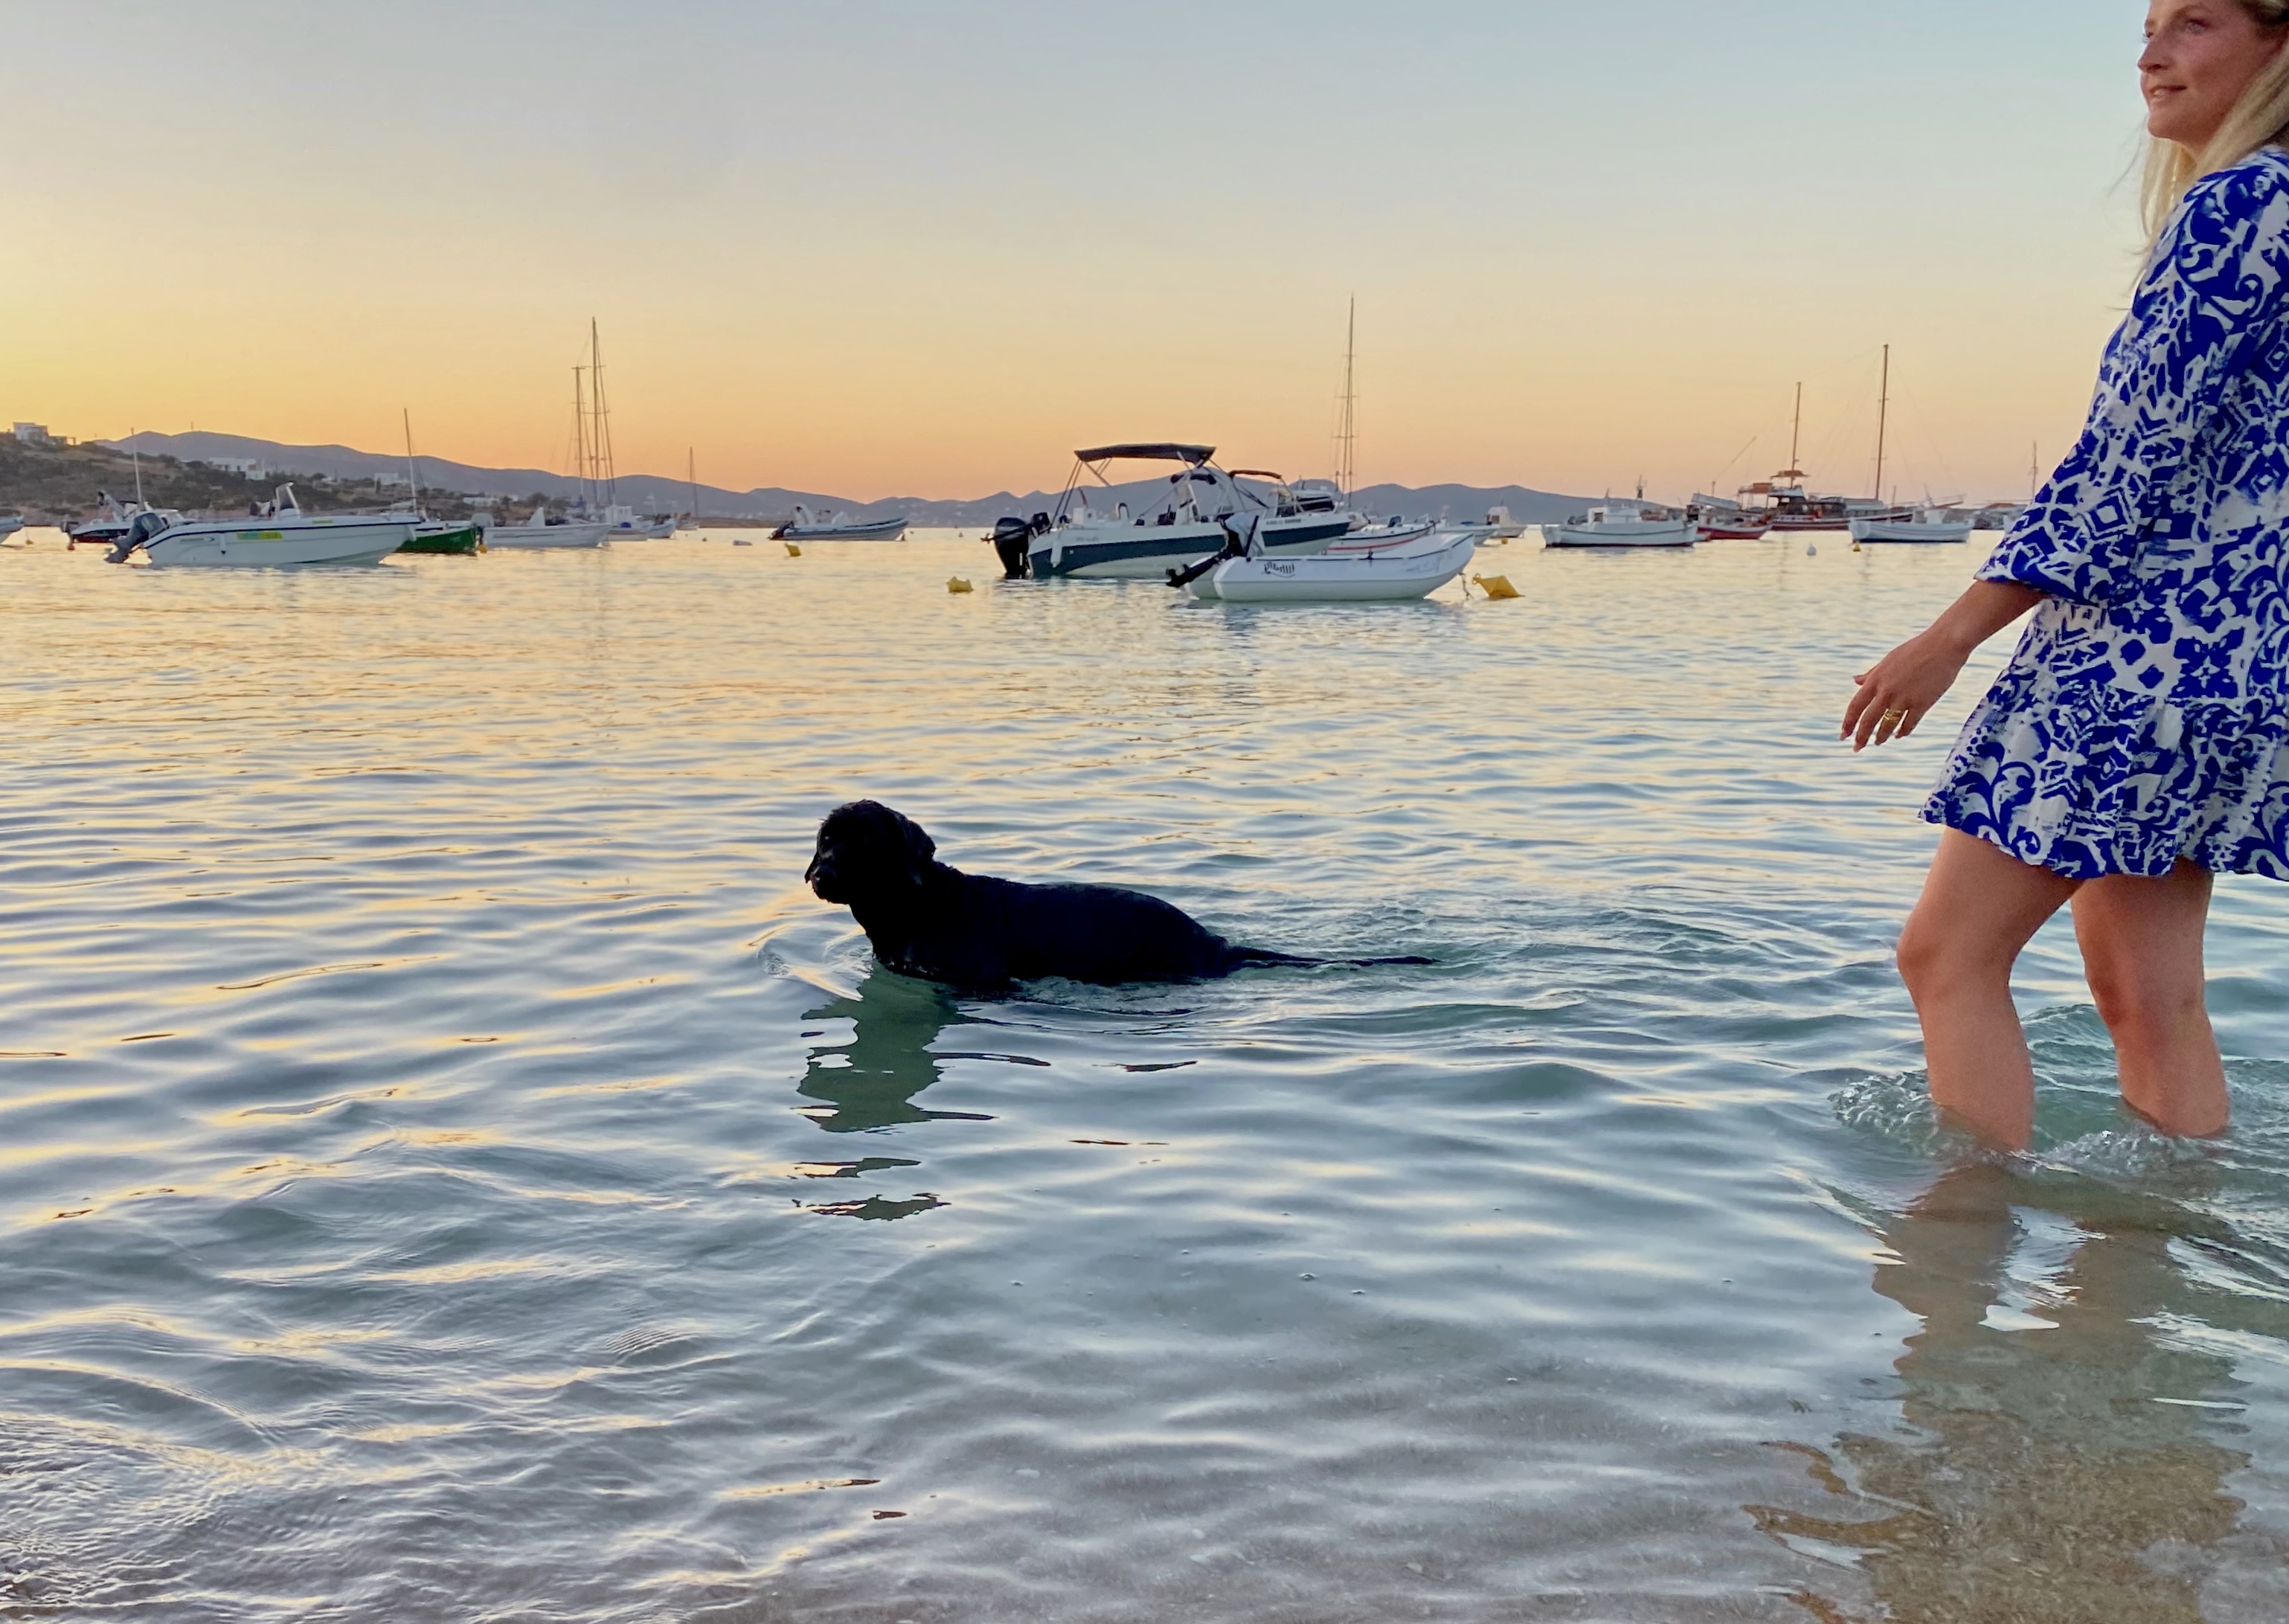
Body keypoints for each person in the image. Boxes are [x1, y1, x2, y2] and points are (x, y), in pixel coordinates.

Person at [1845, 0, 2289, 1150]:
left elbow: (2125, 461)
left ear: (2277, 44)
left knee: (1946, 955)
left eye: (2192, 24)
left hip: (2130, 653)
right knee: (2151, 1000)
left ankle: (1950, 1287)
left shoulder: (2240, 204)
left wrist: (1948, 636)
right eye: (2146, 28)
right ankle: (2141, 1302)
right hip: (2238, 667)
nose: (2149, 55)